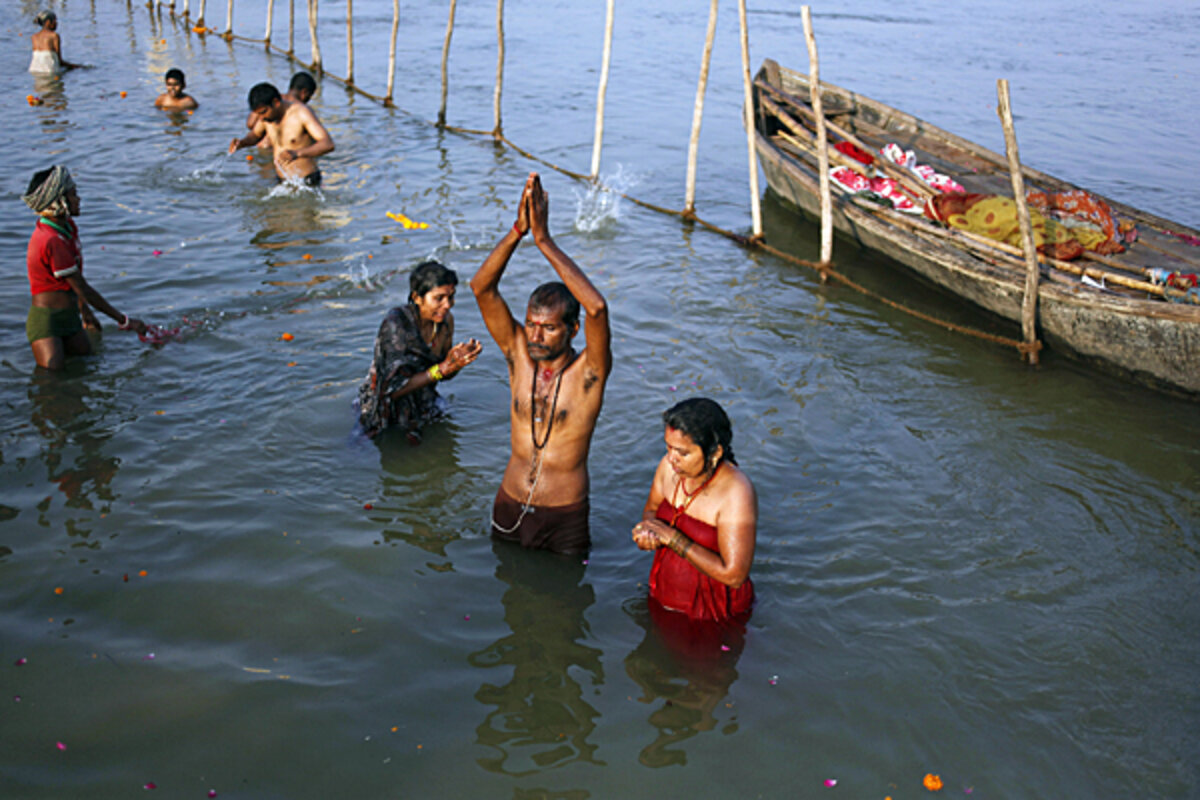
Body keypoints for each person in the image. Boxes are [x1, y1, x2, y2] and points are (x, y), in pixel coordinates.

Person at [470, 173, 612, 554]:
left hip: (564, 512)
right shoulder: (518, 355)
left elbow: (597, 307)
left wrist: (544, 241)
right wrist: (518, 230)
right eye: (531, 325)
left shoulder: (589, 373)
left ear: (572, 330)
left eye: (548, 329)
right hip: (509, 501)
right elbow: (481, 288)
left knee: (565, 606)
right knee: (506, 598)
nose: (535, 336)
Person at [632, 398, 756, 621]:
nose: (672, 459)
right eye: (668, 447)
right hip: (664, 591)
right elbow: (650, 511)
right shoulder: (667, 466)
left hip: (712, 612)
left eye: (683, 453)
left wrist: (672, 538)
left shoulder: (736, 492)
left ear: (715, 452)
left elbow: (734, 575)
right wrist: (647, 533)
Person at [23, 166, 149, 370]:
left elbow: (74, 277)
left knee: (86, 368)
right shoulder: (51, 240)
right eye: (73, 195)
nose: (78, 199)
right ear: (58, 202)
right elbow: (82, 287)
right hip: (48, 322)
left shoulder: (67, 228)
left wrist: (84, 311)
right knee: (51, 381)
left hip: (69, 316)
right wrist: (125, 321)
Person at [358, 261, 482, 439]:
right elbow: (391, 390)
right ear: (417, 297)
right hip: (382, 407)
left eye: (451, 297)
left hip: (424, 401)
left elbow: (444, 374)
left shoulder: (445, 322)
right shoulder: (396, 325)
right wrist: (443, 368)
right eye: (439, 298)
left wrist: (458, 362)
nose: (447, 305)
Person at [228, 82, 333, 186]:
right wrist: (242, 143)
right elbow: (255, 135)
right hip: (281, 181)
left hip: (306, 181)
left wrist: (297, 153)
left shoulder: (301, 113)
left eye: (263, 112)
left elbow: (328, 144)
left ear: (276, 103)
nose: (260, 118)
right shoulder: (266, 118)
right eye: (258, 114)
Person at [246, 72, 315, 150]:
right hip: (280, 152)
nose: (309, 100)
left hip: (262, 147)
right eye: (310, 96)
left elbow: (250, 124)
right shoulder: (302, 109)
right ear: (304, 92)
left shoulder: (267, 100)